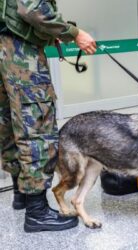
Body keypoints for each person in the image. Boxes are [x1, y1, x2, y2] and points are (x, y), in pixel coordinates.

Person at [0, 0, 96, 232]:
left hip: (5, 44)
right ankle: (37, 212)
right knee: (37, 128)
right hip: (20, 53)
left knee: (9, 123)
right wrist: (74, 33)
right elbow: (32, 9)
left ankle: (21, 195)